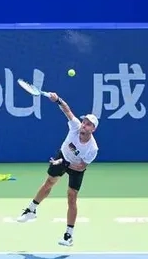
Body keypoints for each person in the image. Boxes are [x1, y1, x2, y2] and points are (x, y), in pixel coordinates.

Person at [16, 92, 99, 247]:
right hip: (63, 155)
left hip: (75, 168)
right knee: (49, 182)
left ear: (93, 129)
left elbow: (81, 166)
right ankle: (31, 210)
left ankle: (68, 235)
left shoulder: (92, 148)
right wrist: (58, 100)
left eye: (88, 124)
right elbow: (67, 110)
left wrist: (63, 164)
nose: (84, 125)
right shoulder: (75, 126)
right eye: (84, 122)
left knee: (71, 197)